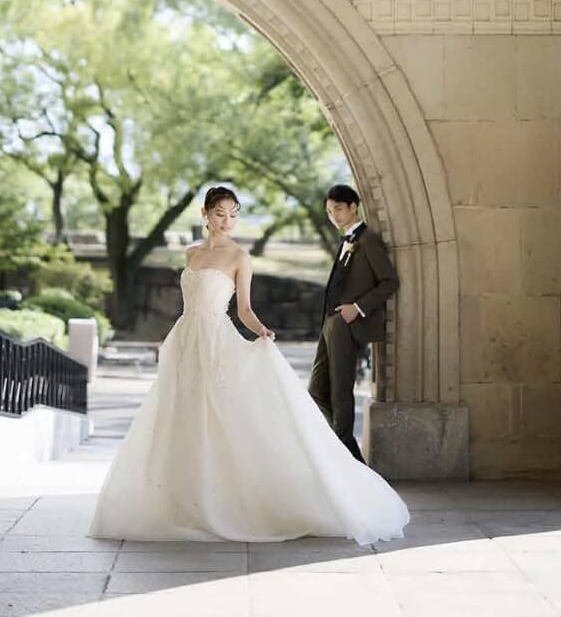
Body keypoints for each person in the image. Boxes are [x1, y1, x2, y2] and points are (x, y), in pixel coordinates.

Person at [88, 185, 408, 545]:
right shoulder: (191, 253)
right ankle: (183, 500)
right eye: (221, 214)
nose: (227, 222)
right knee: (182, 414)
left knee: (221, 415)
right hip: (184, 340)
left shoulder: (240, 256)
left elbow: (243, 310)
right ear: (205, 215)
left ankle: (225, 501)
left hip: (215, 340)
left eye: (233, 214)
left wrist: (262, 332)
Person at [309, 184, 399, 461]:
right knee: (316, 390)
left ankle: (348, 463)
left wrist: (357, 308)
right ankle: (347, 452)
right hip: (330, 324)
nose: (333, 215)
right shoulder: (346, 239)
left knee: (340, 392)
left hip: (347, 324)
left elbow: (389, 282)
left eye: (337, 208)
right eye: (328, 211)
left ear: (352, 207)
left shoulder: (368, 239)